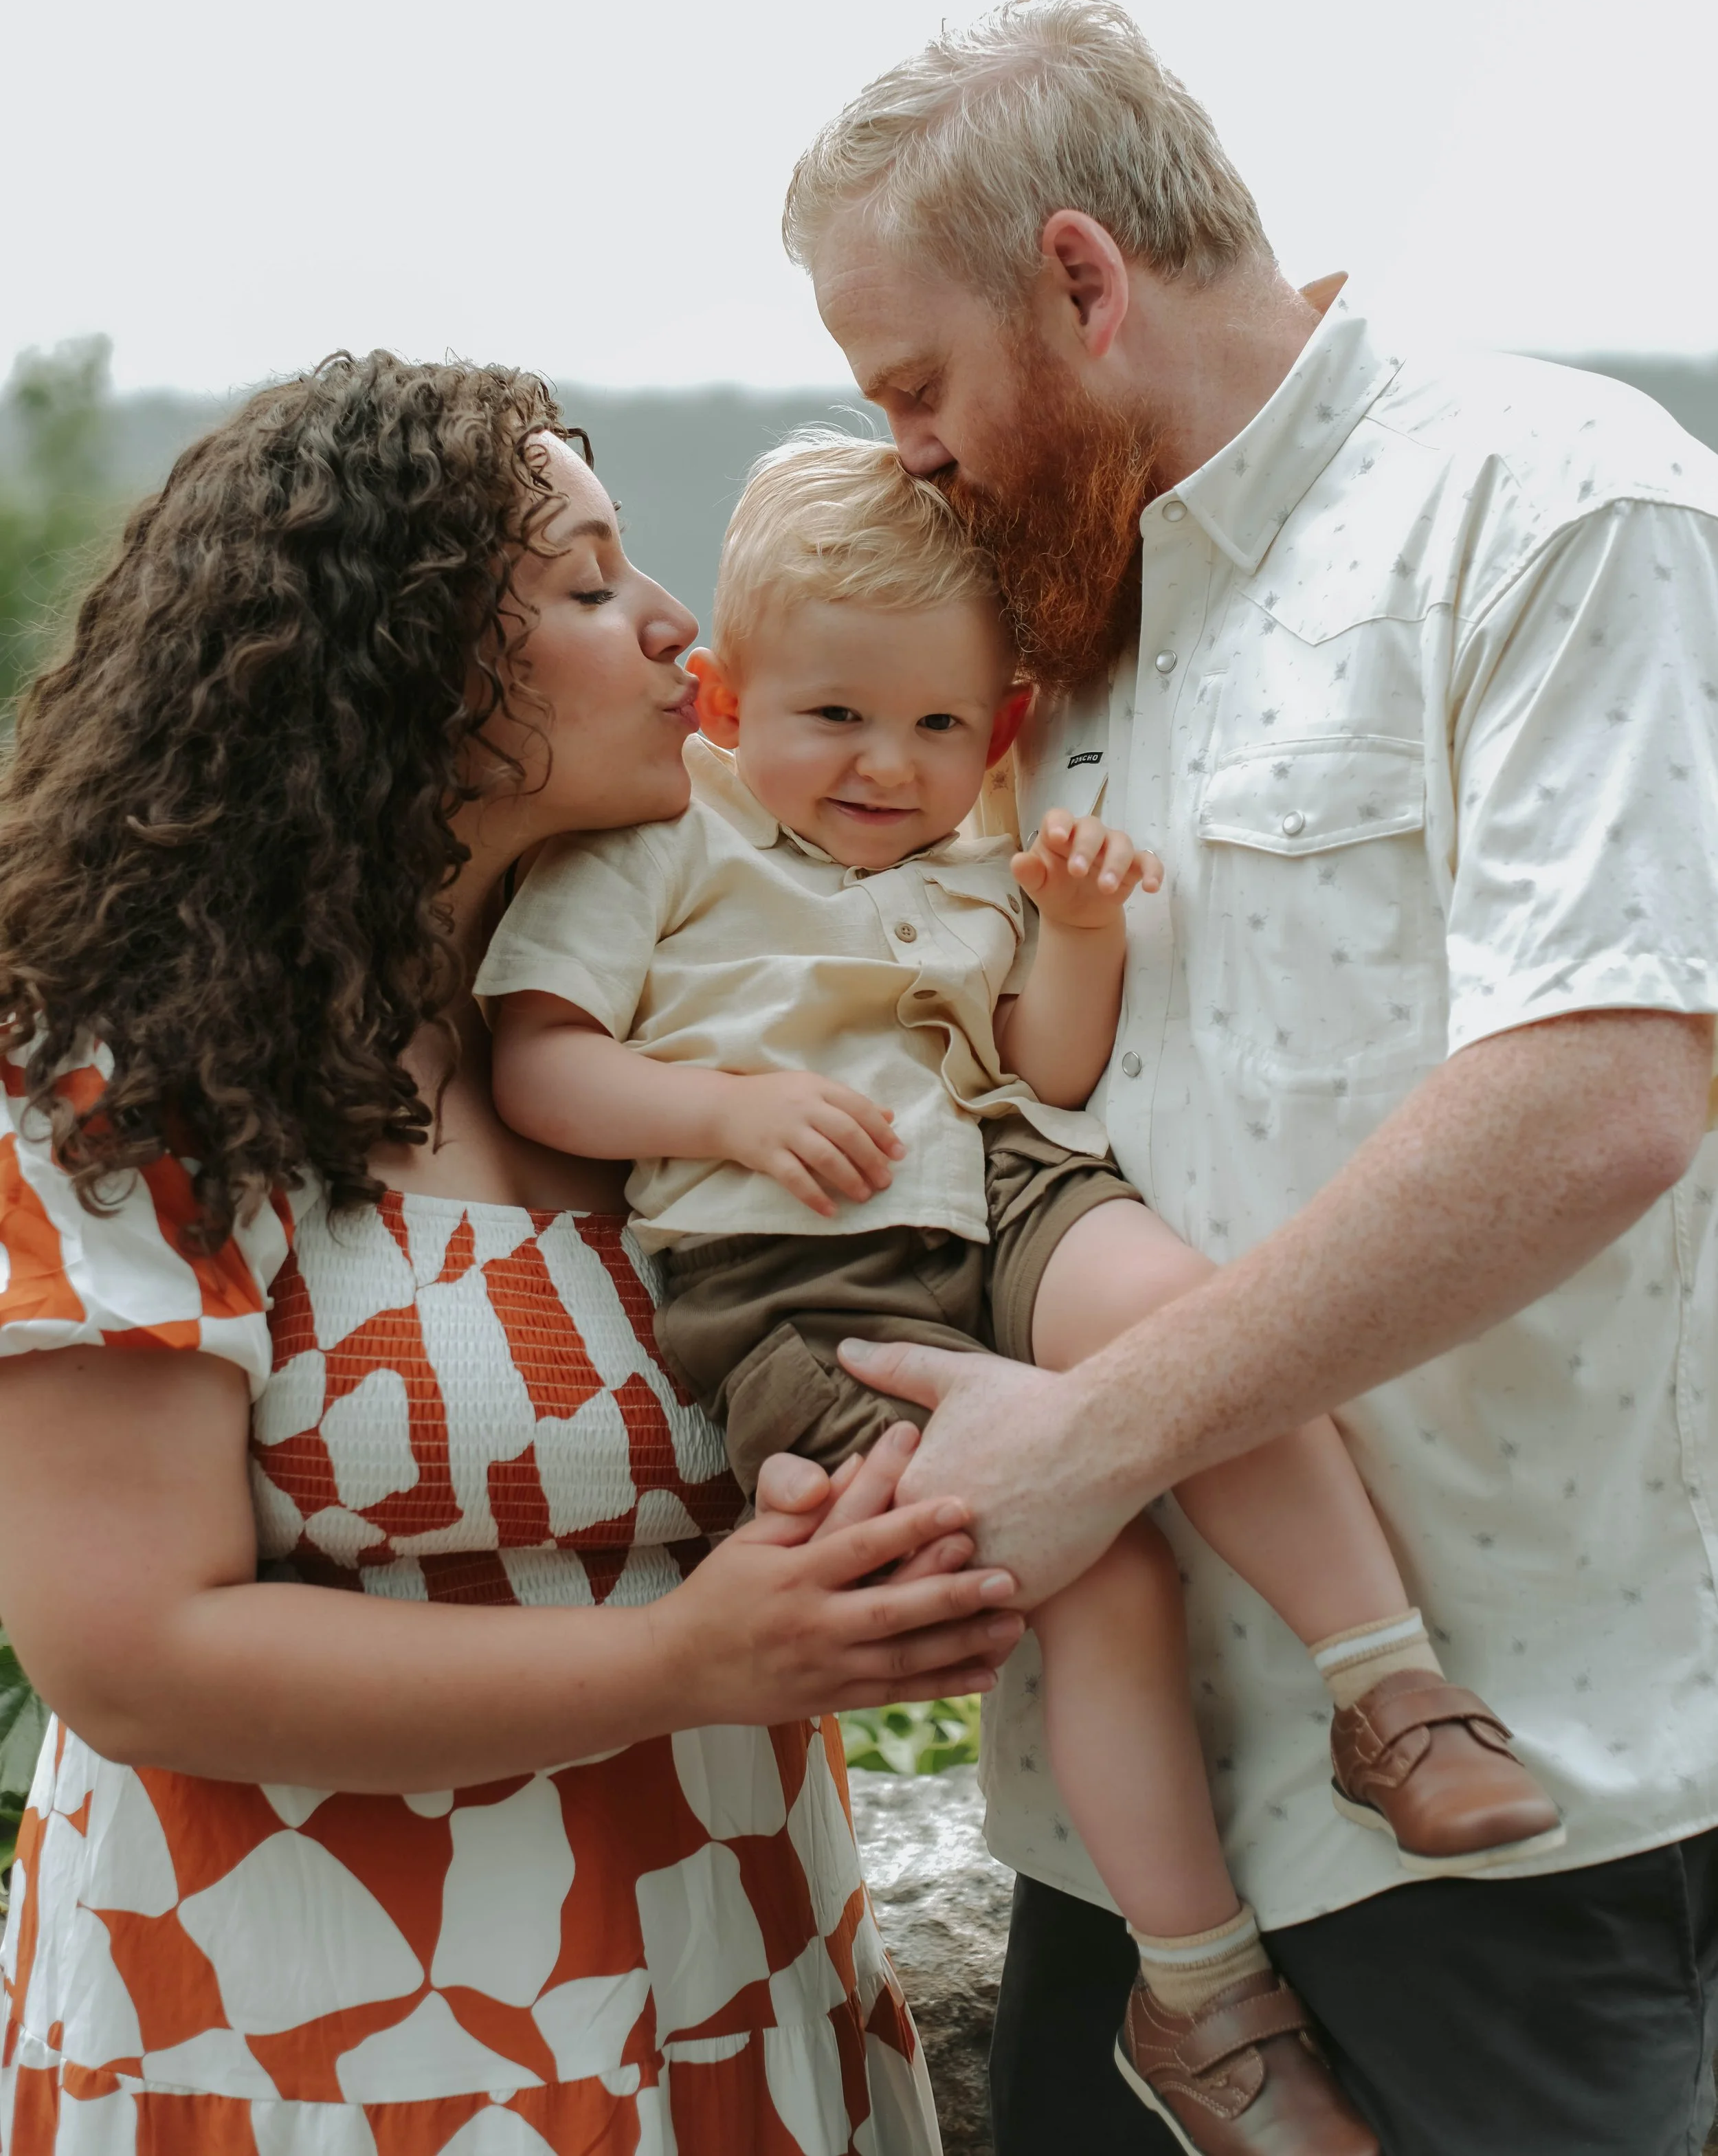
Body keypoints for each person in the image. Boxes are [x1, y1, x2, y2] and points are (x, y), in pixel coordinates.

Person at [783, 0, 1718, 2156]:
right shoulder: (1045, 616)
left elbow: (1599, 1097)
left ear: (1080, 279)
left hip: (1513, 1818)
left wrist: (1089, 1434)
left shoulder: (1555, 504)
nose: (903, 450)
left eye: (915, 386)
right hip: (1123, 1838)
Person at [479, 431, 1562, 2154]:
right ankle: (1199, 1995)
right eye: (834, 715)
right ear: (727, 703)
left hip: (1001, 1182)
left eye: (935, 726)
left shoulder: (976, 862)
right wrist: (719, 1110)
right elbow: (541, 1067)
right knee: (1095, 1571)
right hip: (793, 1275)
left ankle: (1393, 1691)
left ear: (995, 729)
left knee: (1187, 1327)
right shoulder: (667, 839)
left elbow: (1045, 1069)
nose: (884, 764)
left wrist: (1072, 931)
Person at [0, 352, 1027, 2155]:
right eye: (586, 584)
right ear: (388, 662)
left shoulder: (658, 1030)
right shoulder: (132, 1065)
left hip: (727, 1977)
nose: (676, 626)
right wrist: (686, 1658)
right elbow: (129, 1652)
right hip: (311, 2047)